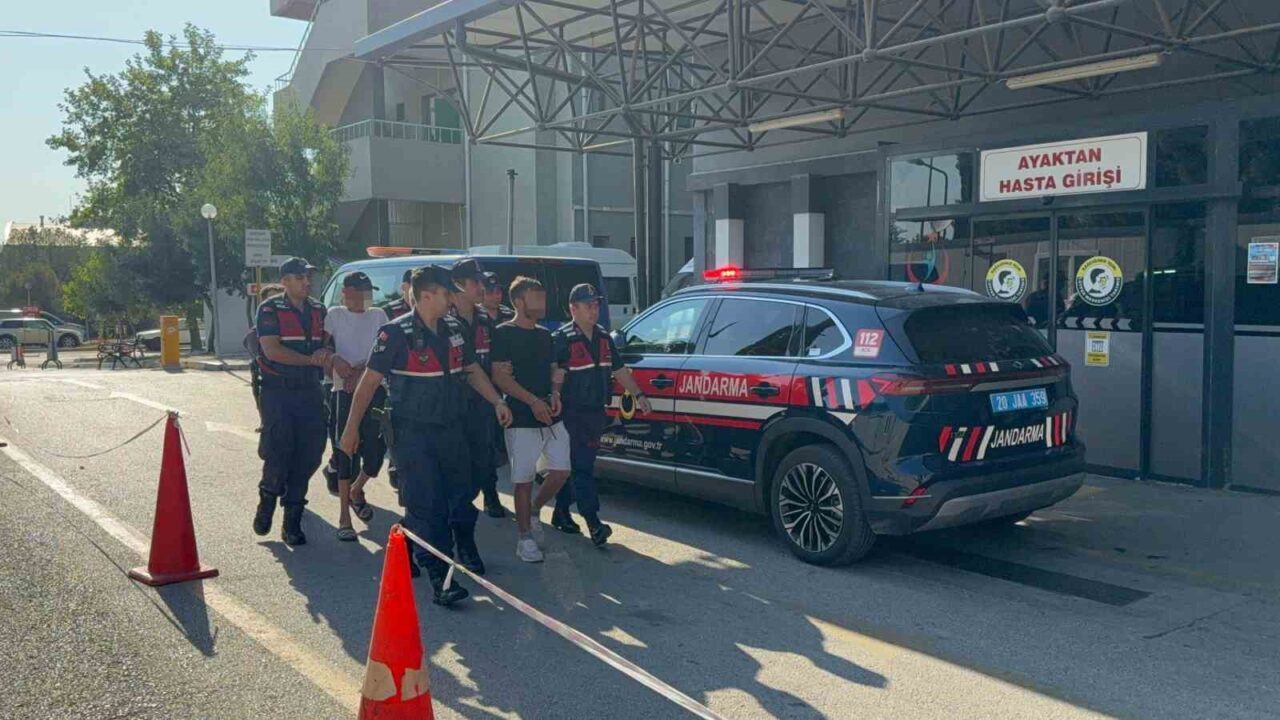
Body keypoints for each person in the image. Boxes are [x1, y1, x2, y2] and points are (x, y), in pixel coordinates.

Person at [339, 266, 512, 606]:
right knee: (427, 503)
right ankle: (441, 579)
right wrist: (350, 430)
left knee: (461, 495)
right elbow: (368, 384)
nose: (452, 300)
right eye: (447, 294)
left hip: (452, 427)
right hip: (412, 434)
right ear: (427, 296)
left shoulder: (454, 328)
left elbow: (471, 370)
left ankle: (420, 542)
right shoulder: (395, 333)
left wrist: (497, 401)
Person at [549, 284, 651, 546]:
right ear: (573, 309)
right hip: (572, 413)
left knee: (579, 465)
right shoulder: (562, 338)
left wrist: (639, 395)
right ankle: (594, 522)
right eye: (588, 305)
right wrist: (554, 395)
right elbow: (554, 374)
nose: (594, 310)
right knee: (583, 467)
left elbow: (619, 370)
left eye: (596, 305)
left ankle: (561, 511)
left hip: (596, 412)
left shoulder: (604, 336)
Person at [490, 276, 572, 563]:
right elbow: (500, 377)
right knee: (523, 479)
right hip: (521, 417)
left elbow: (554, 370)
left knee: (561, 471)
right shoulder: (503, 333)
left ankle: (535, 510)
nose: (543, 301)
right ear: (519, 301)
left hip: (551, 415)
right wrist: (532, 401)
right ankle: (524, 537)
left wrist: (555, 392)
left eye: (543, 295)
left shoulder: (545, 335)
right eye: (536, 296)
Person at [252, 257, 333, 546]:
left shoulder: (319, 310)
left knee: (310, 453)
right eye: (300, 277)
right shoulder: (270, 309)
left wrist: (325, 352)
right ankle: (267, 499)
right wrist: (310, 360)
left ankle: (292, 521)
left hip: (310, 391)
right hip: (278, 392)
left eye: (308, 277)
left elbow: (328, 342)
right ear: (284, 281)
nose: (306, 282)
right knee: (279, 451)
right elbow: (272, 350)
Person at [324, 272, 389, 542]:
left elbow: (383, 351)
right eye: (360, 291)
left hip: (374, 389)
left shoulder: (379, 315)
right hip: (343, 390)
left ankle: (356, 489)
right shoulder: (334, 315)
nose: (365, 296)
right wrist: (336, 361)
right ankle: (344, 516)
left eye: (368, 291)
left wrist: (361, 371)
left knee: (376, 452)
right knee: (345, 452)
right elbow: (324, 348)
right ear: (346, 292)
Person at [449, 259, 506, 522]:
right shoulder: (445, 319)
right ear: (459, 285)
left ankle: (490, 494)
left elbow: (496, 355)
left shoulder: (485, 319)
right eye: (476, 282)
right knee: (458, 454)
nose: (482, 287)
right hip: (454, 399)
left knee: (485, 449)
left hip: (484, 398)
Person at [246, 284, 286, 432]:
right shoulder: (261, 323)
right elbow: (250, 341)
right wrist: (259, 357)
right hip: (265, 371)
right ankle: (265, 421)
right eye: (272, 298)